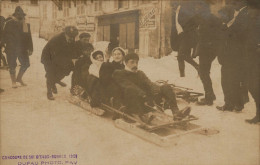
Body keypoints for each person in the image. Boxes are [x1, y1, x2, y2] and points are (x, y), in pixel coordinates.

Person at [113, 53, 191, 119]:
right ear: (126, 63)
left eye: (136, 62)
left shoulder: (140, 73)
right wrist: (142, 93)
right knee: (131, 90)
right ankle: (142, 115)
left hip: (145, 99)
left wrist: (159, 89)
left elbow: (149, 83)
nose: (135, 65)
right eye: (132, 62)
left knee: (166, 87)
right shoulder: (119, 73)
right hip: (131, 100)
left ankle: (176, 112)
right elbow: (128, 85)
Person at [216, 0, 249, 112]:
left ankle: (234, 104)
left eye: (236, 2)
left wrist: (225, 28)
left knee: (231, 79)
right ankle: (232, 103)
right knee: (229, 79)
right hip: (231, 53)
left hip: (236, 54)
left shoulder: (245, 15)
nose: (234, 4)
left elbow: (239, 33)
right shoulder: (238, 13)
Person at [195, 3, 226, 106]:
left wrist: (210, 44)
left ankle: (209, 98)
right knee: (204, 72)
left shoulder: (210, 19)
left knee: (203, 72)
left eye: (198, 7)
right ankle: (210, 95)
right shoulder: (207, 18)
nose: (197, 9)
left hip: (207, 50)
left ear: (204, 8)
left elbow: (218, 34)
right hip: (206, 49)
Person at [41, 26, 78, 100]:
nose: (72, 39)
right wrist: (67, 61)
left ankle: (55, 81)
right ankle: (49, 91)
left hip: (61, 58)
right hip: (49, 58)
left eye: (73, 37)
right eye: (70, 37)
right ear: (65, 34)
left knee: (67, 69)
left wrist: (74, 60)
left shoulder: (71, 39)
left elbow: (73, 50)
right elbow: (55, 56)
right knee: (51, 73)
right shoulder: (56, 40)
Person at [2, 6, 33, 88]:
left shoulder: (26, 25)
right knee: (12, 65)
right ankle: (13, 82)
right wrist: (3, 45)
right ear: (15, 15)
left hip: (22, 48)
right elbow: (3, 35)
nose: (21, 17)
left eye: (22, 16)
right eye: (18, 15)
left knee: (26, 64)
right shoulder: (8, 23)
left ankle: (19, 78)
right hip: (11, 49)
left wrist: (30, 48)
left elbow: (29, 37)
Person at [171, 2, 199, 77]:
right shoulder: (175, 13)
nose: (172, 7)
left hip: (187, 35)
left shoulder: (185, 9)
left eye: (173, 5)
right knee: (182, 56)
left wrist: (188, 31)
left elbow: (194, 21)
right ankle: (182, 75)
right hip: (180, 36)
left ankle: (199, 68)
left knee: (181, 55)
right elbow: (175, 25)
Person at [245, 3, 260, 124]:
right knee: (252, 85)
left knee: (255, 85)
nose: (249, 11)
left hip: (257, 57)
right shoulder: (250, 20)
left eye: (250, 8)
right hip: (251, 57)